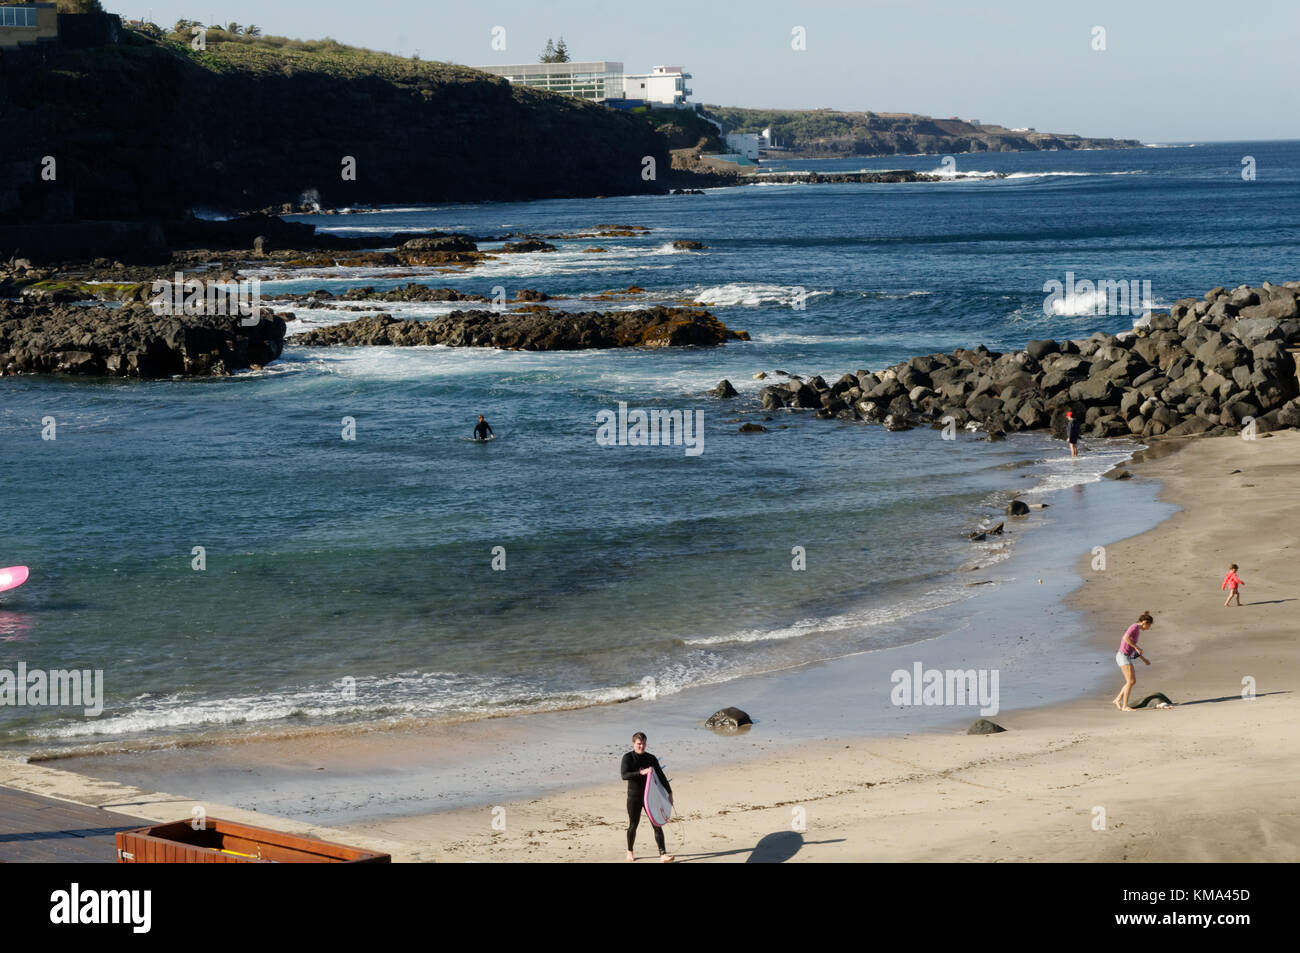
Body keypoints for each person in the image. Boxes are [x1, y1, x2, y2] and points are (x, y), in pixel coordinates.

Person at [620, 731, 673, 862]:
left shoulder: (651, 758)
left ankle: (663, 854)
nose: (641, 746)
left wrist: (670, 793)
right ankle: (630, 851)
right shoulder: (628, 758)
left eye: (643, 744)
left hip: (650, 797)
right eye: (639, 744)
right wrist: (641, 772)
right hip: (634, 797)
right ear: (633, 744)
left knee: (657, 824)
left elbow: (661, 776)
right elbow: (624, 775)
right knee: (633, 824)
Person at [1112, 611, 1153, 712]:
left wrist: (1143, 659)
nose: (1148, 628)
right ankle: (1125, 706)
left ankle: (1117, 699)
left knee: (1132, 681)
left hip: (1126, 656)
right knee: (1130, 681)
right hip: (1122, 656)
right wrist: (1136, 647)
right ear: (1145, 622)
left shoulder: (1137, 630)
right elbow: (1125, 638)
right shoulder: (1134, 627)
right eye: (1149, 626)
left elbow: (1132, 648)